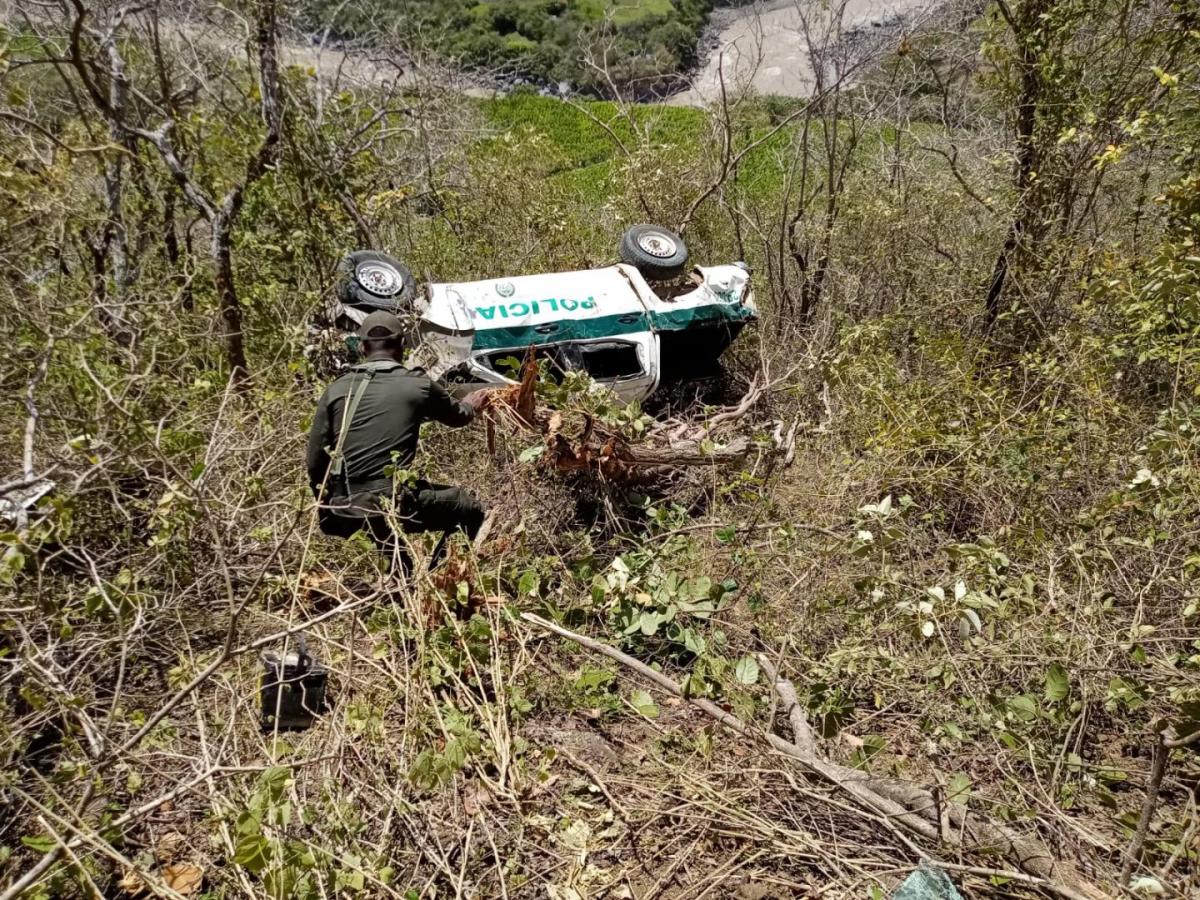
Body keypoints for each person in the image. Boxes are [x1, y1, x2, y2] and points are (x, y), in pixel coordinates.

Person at [306, 310, 486, 574]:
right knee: (467, 507)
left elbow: (314, 461)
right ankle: (437, 578)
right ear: (403, 345)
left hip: (342, 507)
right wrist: (471, 405)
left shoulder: (336, 388)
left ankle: (406, 588)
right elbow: (459, 417)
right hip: (390, 502)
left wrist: (326, 505)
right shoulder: (417, 385)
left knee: (398, 566)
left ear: (363, 347)